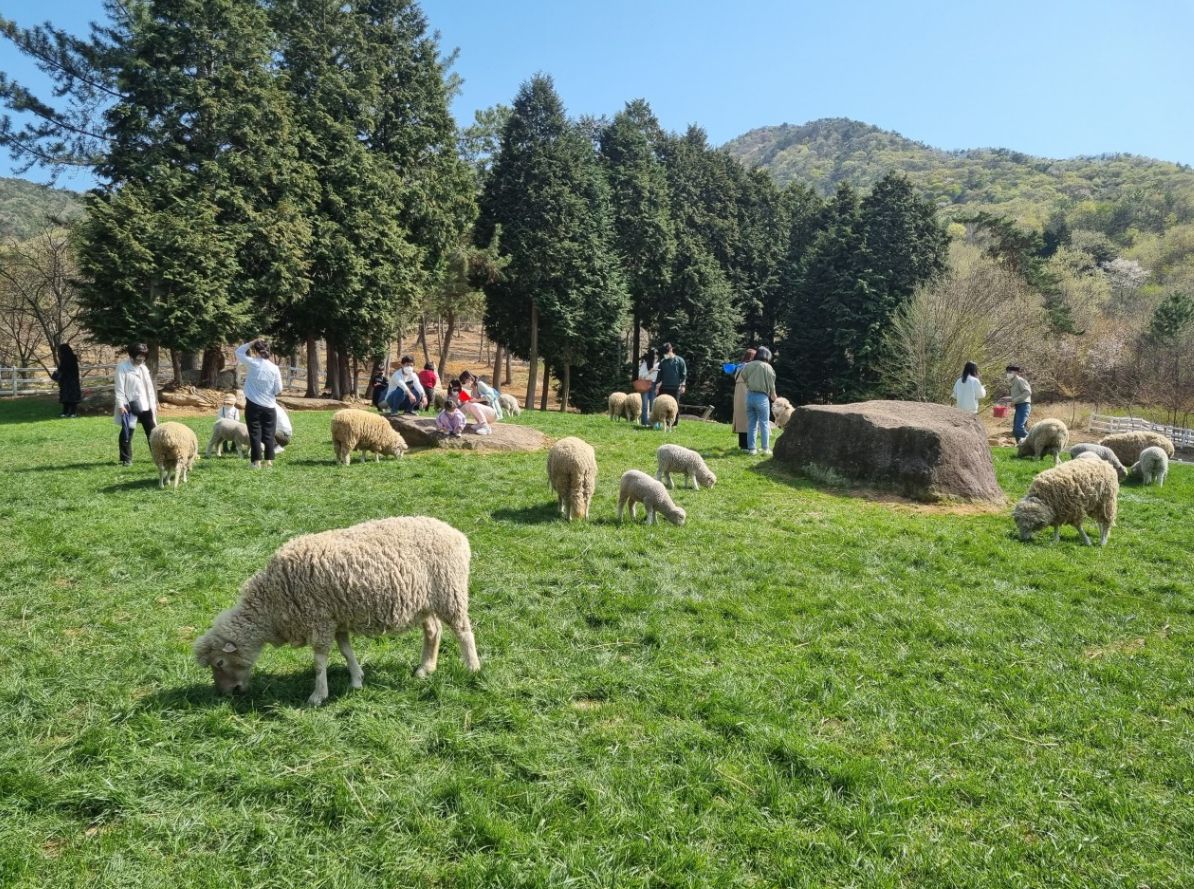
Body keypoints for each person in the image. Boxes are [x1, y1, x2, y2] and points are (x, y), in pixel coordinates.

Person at [236, 338, 283, 468]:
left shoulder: (252, 363)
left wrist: (251, 342)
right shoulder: (274, 368)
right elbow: (279, 389)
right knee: (269, 433)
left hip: (253, 405)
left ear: (255, 351)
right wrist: (270, 392)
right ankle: (269, 461)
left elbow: (239, 352)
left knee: (255, 433)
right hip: (270, 406)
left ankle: (256, 462)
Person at [114, 343, 158, 466]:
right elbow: (119, 388)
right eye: (139, 356)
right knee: (128, 431)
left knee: (152, 431)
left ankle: (157, 455)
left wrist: (153, 402)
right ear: (132, 355)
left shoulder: (144, 368)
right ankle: (125, 459)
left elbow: (149, 387)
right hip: (130, 404)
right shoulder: (122, 367)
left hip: (146, 404)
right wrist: (121, 404)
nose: (141, 359)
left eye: (144, 356)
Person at [739, 346, 777, 456]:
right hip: (762, 397)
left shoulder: (749, 365)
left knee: (751, 424)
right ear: (767, 356)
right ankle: (765, 448)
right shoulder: (768, 367)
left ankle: (752, 449)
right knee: (764, 423)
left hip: (749, 396)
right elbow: (772, 385)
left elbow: (743, 376)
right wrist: (774, 397)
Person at [655, 343, 687, 428]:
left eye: (666, 353)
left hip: (675, 388)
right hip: (664, 388)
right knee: (662, 406)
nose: (665, 355)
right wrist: (657, 387)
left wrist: (683, 385)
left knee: (675, 406)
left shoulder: (680, 361)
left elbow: (683, 375)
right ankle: (663, 423)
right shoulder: (663, 362)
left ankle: (674, 424)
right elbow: (659, 376)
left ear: (671, 350)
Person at [732, 347, 758, 450]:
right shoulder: (750, 366)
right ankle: (748, 445)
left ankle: (742, 445)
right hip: (747, 391)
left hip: (738, 392)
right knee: (748, 418)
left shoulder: (739, 366)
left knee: (741, 418)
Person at [51, 343, 81, 418]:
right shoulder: (73, 359)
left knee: (66, 397)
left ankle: (65, 412)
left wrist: (57, 375)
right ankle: (72, 413)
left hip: (66, 381)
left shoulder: (64, 360)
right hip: (74, 381)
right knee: (73, 397)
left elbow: (61, 370)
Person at [1006, 364, 1032, 444]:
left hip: (1024, 406)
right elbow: (1017, 395)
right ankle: (1021, 446)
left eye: (1010, 371)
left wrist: (1015, 400)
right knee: (1016, 430)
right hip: (1019, 406)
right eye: (1007, 372)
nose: (1008, 373)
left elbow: (1028, 392)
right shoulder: (1013, 382)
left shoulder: (1020, 380)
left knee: (1018, 428)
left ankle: (1033, 442)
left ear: (1016, 372)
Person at [636, 347, 658, 426]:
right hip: (645, 384)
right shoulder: (645, 364)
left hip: (655, 385)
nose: (656, 358)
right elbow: (640, 376)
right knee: (645, 405)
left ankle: (653, 423)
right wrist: (649, 372)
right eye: (654, 356)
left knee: (654, 405)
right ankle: (644, 423)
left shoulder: (659, 364)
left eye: (657, 356)